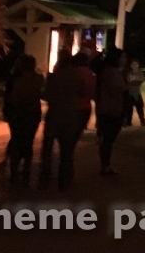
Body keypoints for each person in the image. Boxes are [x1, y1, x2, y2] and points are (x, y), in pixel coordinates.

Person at [39, 50, 87, 190]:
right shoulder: (76, 76)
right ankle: (65, 178)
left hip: (54, 115)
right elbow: (82, 92)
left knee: (47, 148)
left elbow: (46, 95)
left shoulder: (53, 76)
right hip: (70, 116)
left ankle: (45, 174)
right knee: (67, 150)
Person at [3, 54, 44, 186]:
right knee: (28, 143)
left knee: (16, 141)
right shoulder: (38, 78)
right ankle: (26, 170)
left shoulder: (15, 78)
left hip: (17, 113)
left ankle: (14, 172)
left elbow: (9, 97)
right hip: (32, 114)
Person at [94, 48, 127, 175]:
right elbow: (114, 90)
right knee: (108, 141)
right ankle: (105, 166)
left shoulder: (110, 71)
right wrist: (129, 85)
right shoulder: (111, 72)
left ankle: (106, 165)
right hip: (110, 111)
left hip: (109, 110)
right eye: (122, 57)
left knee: (108, 141)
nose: (125, 60)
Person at [71, 49, 96, 133]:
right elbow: (91, 89)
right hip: (85, 106)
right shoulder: (88, 73)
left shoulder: (73, 72)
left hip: (73, 106)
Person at [122, 58, 145, 125]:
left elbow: (139, 82)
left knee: (140, 107)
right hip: (131, 93)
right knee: (129, 109)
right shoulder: (129, 73)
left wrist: (133, 83)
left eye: (135, 64)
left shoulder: (140, 73)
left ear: (138, 65)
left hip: (137, 93)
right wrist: (133, 83)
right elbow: (129, 82)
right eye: (133, 64)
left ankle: (142, 121)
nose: (134, 65)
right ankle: (129, 122)